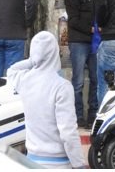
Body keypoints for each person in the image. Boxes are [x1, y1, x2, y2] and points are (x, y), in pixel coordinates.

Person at [6, 31, 86, 169]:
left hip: (31, 161)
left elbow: (11, 70)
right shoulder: (62, 87)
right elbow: (68, 132)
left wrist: (33, 59)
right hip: (58, 164)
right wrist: (79, 165)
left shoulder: (24, 80)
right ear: (55, 53)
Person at [63, 0, 99, 126]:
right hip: (79, 41)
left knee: (95, 79)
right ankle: (77, 116)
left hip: (96, 41)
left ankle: (93, 115)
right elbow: (73, 21)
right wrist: (91, 29)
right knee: (78, 81)